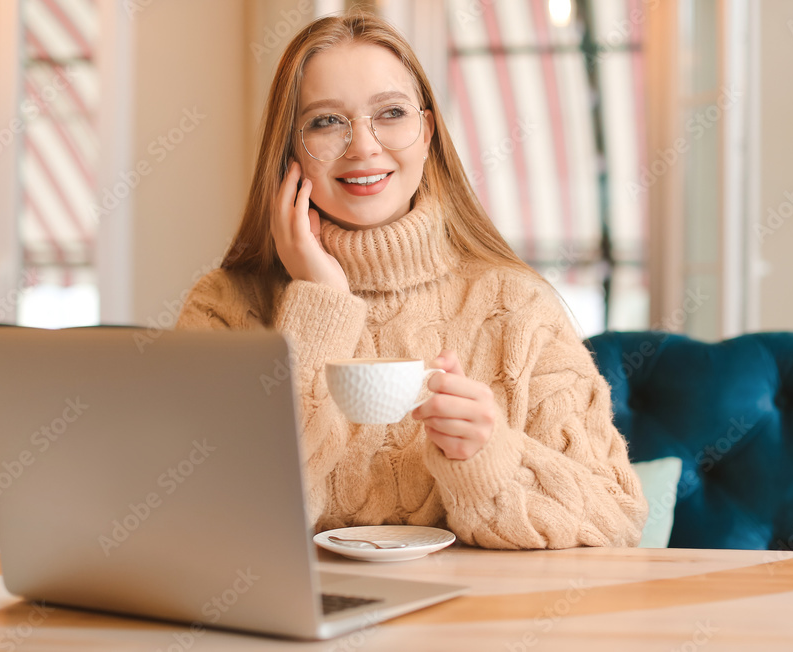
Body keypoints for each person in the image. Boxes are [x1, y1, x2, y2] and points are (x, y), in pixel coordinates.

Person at [177, 10, 647, 549]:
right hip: (287, 632)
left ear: (426, 132)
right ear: (289, 149)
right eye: (326, 121)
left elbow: (616, 522)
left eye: (391, 113)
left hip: (475, 630)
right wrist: (319, 305)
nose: (363, 146)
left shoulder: (518, 307)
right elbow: (205, 524)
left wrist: (487, 460)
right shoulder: (221, 308)